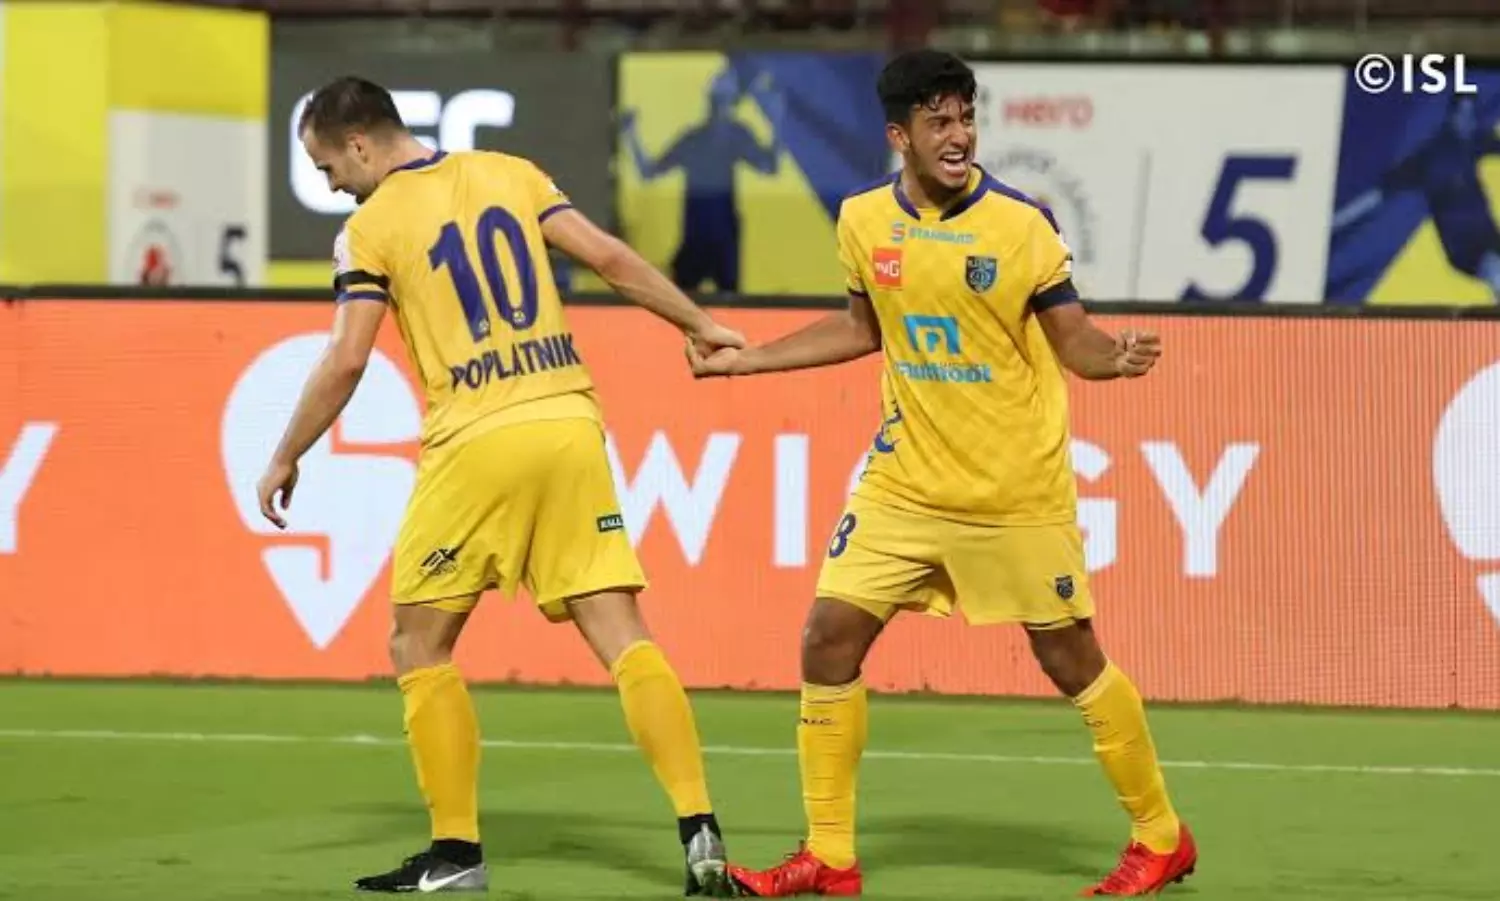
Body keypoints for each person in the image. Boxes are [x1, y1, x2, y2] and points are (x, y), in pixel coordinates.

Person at [688, 50, 1196, 898]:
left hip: (1013, 490)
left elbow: (1075, 342)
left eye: (966, 118)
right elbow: (862, 328)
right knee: (827, 638)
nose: (959, 136)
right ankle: (830, 854)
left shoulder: (1021, 224)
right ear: (901, 135)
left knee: (1070, 657)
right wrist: (749, 360)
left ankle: (1161, 836)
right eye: (939, 122)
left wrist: (1115, 357)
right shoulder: (862, 220)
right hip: (904, 485)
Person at [256, 76, 744, 897]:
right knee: (623, 633)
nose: (331, 184)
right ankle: (699, 825)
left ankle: (455, 852)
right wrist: (699, 323)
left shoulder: (369, 227)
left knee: (418, 644)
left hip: (475, 439)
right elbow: (609, 258)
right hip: (568, 421)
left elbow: (346, 358)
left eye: (328, 167)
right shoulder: (511, 173)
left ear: (359, 144)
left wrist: (286, 453)